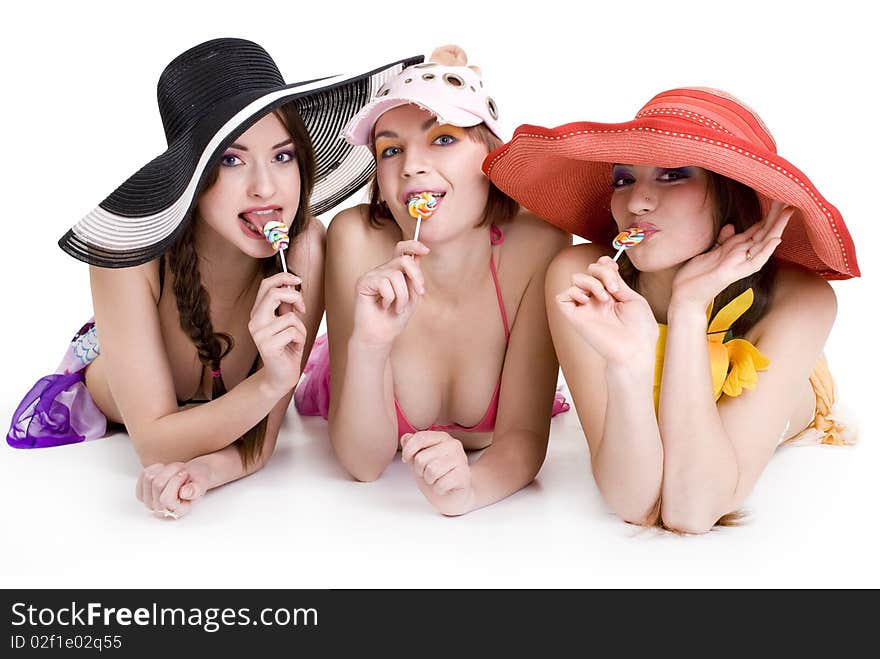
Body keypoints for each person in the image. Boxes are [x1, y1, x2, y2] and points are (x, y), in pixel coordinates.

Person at [7, 37, 420, 519]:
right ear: (192, 178)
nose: (266, 187)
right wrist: (268, 386)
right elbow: (155, 444)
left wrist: (202, 473)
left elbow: (260, 443)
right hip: (116, 369)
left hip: (221, 406)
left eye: (283, 156)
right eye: (231, 159)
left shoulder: (307, 246)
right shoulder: (130, 260)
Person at [483, 87, 860, 533]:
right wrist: (628, 364)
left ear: (731, 196)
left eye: (673, 175)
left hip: (776, 400)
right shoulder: (580, 275)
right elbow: (632, 500)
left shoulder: (801, 300)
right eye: (623, 179)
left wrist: (688, 309)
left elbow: (691, 510)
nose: (636, 202)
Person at [295, 46, 570, 516]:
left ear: (490, 153)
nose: (410, 167)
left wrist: (471, 489)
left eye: (443, 139)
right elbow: (363, 464)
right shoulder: (356, 239)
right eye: (391, 149)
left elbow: (522, 438)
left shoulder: (541, 243)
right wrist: (369, 345)